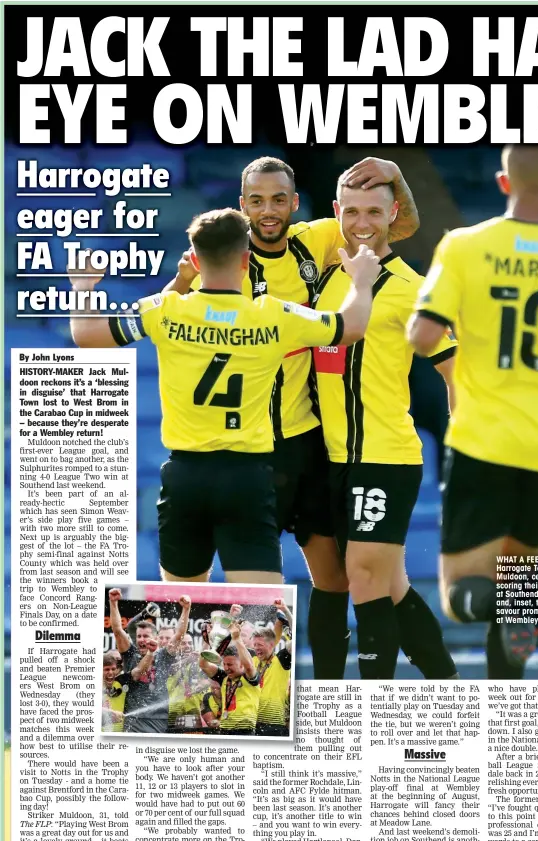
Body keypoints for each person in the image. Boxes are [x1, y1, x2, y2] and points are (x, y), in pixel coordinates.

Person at [167, 156, 419, 650]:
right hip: (248, 451)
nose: (268, 210)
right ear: (241, 208)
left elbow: (394, 224)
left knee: (334, 580)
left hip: (304, 442)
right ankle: (213, 698)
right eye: (256, 201)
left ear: (295, 204)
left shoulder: (318, 238)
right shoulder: (225, 261)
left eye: (278, 199)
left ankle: (323, 695)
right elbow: (172, 315)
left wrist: (394, 174)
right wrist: (178, 283)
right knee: (238, 592)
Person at [69, 209, 381, 584]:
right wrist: (361, 282)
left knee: (180, 614)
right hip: (246, 477)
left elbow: (87, 335)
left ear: (195, 260)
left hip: (185, 475)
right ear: (246, 260)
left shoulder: (167, 310)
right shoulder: (272, 314)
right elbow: (351, 327)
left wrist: (83, 287)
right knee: (260, 619)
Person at [407, 139, 538, 679]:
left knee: (462, 596)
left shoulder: (465, 246)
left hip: (483, 442)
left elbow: (423, 336)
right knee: (518, 585)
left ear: (504, 182)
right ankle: (506, 712)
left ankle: (507, 612)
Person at [312, 179, 460, 681]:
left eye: (374, 212)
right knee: (389, 585)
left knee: (365, 577)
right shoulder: (325, 279)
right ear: (337, 212)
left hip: (385, 457)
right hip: (329, 457)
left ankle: (374, 713)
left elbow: (454, 369)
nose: (361, 224)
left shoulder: (414, 290)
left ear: (394, 212)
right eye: (351, 212)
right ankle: (448, 686)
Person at [107, 588, 191, 733]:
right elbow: (118, 631)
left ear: (156, 638)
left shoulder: (164, 655)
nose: (141, 640)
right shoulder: (130, 654)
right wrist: (113, 603)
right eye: (139, 636)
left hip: (159, 718)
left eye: (146, 636)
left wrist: (186, 609)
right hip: (134, 719)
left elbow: (179, 635)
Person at [199, 622, 262, 736]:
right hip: (224, 730)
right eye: (224, 664)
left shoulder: (250, 677)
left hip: (245, 732)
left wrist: (237, 638)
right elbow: (203, 665)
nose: (226, 668)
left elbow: (249, 665)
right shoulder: (224, 677)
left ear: (241, 664)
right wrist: (207, 642)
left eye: (230, 665)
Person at [251, 600, 294, 737]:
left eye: (260, 645)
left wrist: (286, 611)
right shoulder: (253, 660)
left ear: (272, 644)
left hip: (274, 725)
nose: (257, 648)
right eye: (255, 644)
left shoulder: (281, 660)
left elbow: (296, 640)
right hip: (251, 723)